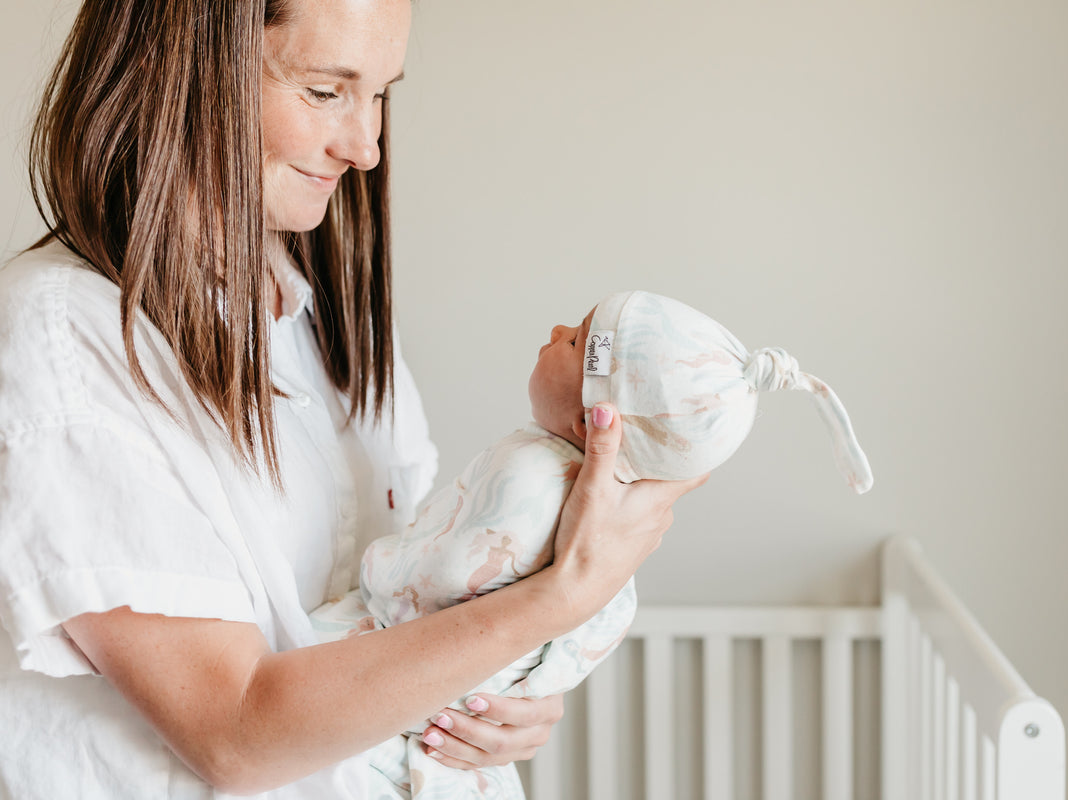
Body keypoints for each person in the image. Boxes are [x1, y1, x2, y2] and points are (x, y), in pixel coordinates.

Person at [0, 2, 704, 798]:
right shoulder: (65, 336)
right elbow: (234, 734)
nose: (365, 147)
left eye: (379, 95)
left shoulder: (325, 317)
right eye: (324, 91)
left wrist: (495, 695)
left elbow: (407, 618)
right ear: (182, 69)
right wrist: (554, 600)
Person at [309, 289, 873, 798]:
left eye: (577, 340)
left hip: (398, 690)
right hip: (450, 717)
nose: (556, 331)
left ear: (589, 421)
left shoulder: (531, 472)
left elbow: (439, 578)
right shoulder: (616, 537)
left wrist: (381, 566)